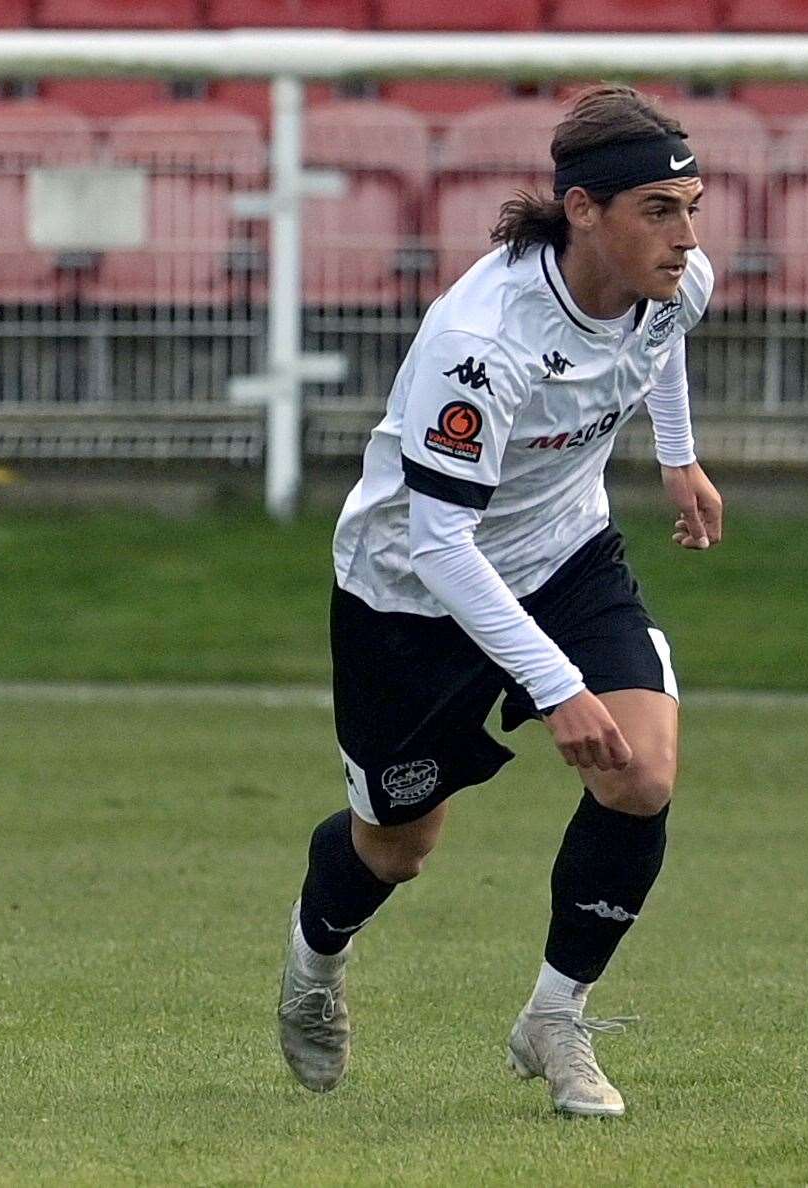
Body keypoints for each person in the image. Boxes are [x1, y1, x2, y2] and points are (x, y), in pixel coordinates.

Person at [276, 84, 721, 1119]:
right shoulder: (482, 342)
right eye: (660, 210)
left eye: (693, 204)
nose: (687, 235)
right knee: (399, 843)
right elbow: (439, 541)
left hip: (566, 554)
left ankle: (555, 1018)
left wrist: (679, 458)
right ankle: (312, 966)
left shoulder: (675, 279)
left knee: (642, 775)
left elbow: (659, 347)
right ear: (582, 209)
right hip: (411, 592)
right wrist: (556, 686)